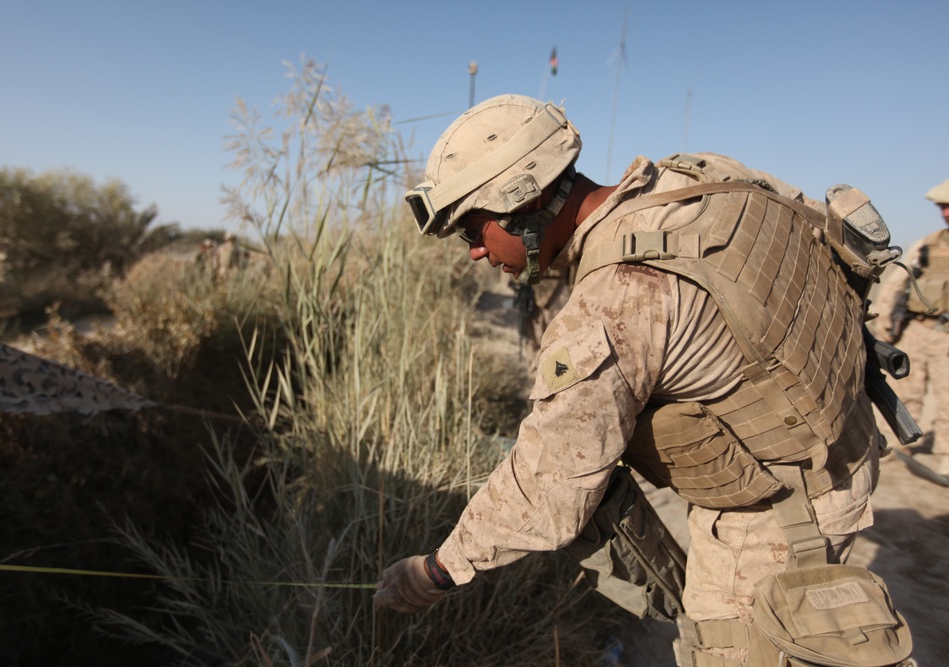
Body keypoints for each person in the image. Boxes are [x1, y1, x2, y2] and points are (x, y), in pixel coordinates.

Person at [375, 94, 913, 666]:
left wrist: (435, 571)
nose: (478, 252)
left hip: (780, 516)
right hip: (842, 438)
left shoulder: (615, 304)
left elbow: (548, 486)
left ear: (524, 202)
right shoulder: (699, 176)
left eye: (472, 231)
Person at [872, 178, 949, 475]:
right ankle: (896, 444)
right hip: (917, 330)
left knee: (946, 396)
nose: (944, 213)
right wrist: (884, 320)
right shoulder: (928, 245)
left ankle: (945, 452)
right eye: (942, 207)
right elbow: (898, 283)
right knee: (905, 390)